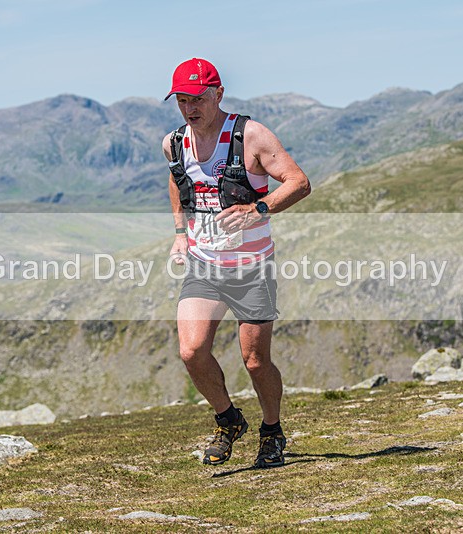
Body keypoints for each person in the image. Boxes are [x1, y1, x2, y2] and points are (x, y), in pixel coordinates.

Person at [162, 58, 310, 468]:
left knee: (255, 360)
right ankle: (228, 419)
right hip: (204, 266)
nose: (190, 108)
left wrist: (258, 208)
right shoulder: (174, 143)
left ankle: (272, 431)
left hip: (252, 268)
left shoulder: (251, 136)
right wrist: (180, 234)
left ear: (218, 94)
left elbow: (299, 182)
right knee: (192, 351)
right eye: (182, 100)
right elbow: (178, 180)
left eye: (198, 98)